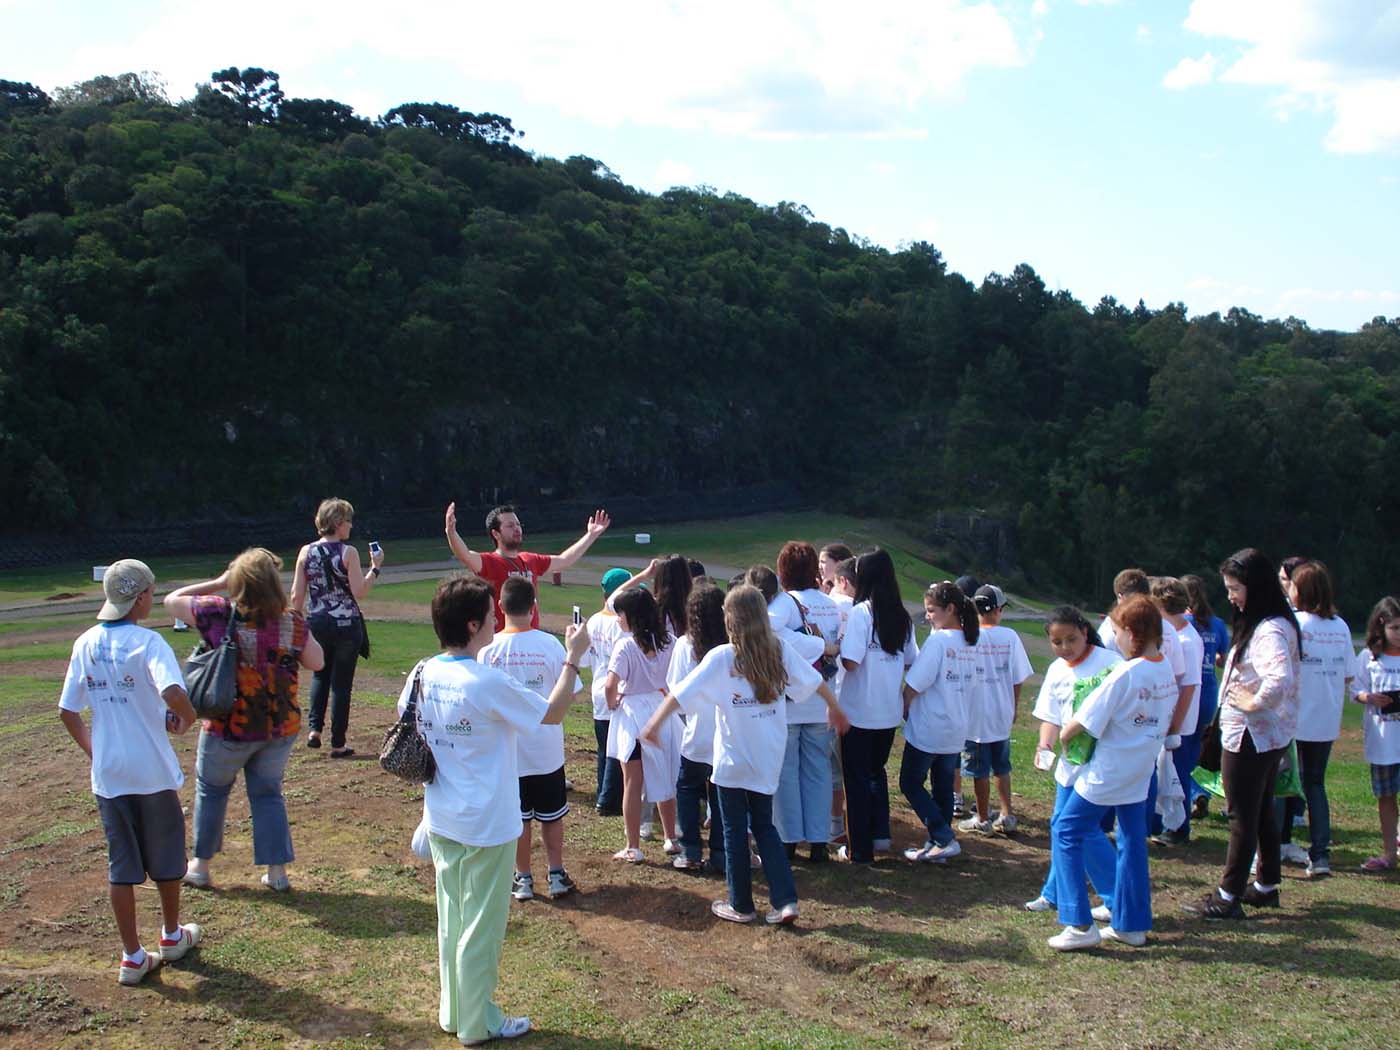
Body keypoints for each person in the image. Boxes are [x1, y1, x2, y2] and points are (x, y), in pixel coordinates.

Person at [403, 575, 587, 1046]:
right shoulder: (484, 681)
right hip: (485, 822)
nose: (496, 619)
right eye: (490, 613)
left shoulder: (423, 672)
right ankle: (478, 1021)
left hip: (442, 815)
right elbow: (551, 712)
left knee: (453, 921)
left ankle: (454, 1011)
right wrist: (573, 656)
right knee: (481, 929)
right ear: (472, 623)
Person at [641, 585, 850, 924]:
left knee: (735, 830)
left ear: (730, 619)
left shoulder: (724, 657)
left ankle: (741, 905)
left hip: (733, 760)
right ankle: (785, 902)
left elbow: (680, 694)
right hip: (768, 754)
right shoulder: (778, 649)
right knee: (764, 826)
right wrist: (835, 708)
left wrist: (653, 724)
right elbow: (814, 681)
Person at [59, 559, 202, 986]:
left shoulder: (85, 642)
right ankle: (172, 935)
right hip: (152, 771)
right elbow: (172, 692)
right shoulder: (149, 643)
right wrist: (188, 718)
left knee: (121, 865)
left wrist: (94, 750)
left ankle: (132, 956)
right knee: (168, 857)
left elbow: (67, 710)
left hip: (110, 774)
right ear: (140, 597)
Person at [167, 549, 325, 892]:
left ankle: (201, 865)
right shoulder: (292, 621)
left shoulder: (218, 614)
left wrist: (219, 582)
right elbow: (317, 662)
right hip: (278, 729)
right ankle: (277, 872)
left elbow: (171, 601)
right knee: (268, 795)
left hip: (229, 728)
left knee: (211, 791)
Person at [1049, 595, 1177, 950]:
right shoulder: (1163, 667)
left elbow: (1085, 721)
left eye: (1118, 631)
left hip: (1109, 770)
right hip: (1140, 768)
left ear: (1132, 634)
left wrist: (1062, 736)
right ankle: (1131, 924)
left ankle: (1078, 923)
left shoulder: (1126, 672)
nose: (1114, 638)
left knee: (1067, 829)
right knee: (1132, 840)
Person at [1185, 549, 1300, 920]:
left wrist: (1252, 703)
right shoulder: (1268, 622)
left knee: (1241, 815)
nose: (1231, 596)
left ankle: (1228, 895)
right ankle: (1266, 885)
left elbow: (1279, 679)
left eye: (1235, 588)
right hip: (1265, 735)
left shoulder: (1270, 630)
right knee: (1261, 807)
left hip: (1252, 735)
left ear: (1257, 587)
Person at [480, 578, 580, 902]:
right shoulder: (551, 645)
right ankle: (555, 873)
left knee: (518, 819)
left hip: (509, 754)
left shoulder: (488, 651)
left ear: (500, 607)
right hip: (546, 750)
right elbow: (571, 694)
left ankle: (522, 878)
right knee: (552, 816)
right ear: (533, 606)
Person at [1024, 606, 1121, 914]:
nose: (1065, 648)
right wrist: (1045, 744)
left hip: (1101, 762)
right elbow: (1051, 716)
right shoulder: (1056, 669)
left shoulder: (1111, 664)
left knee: (1078, 828)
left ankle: (1118, 897)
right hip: (1069, 764)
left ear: (1085, 631)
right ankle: (1054, 893)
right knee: (1061, 826)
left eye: (1071, 640)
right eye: (1057, 642)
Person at [837, 549, 917, 863]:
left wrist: (836, 646)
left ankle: (860, 849)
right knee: (876, 773)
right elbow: (912, 661)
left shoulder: (862, 613)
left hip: (858, 710)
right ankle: (880, 835)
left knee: (855, 780)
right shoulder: (902, 615)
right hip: (888, 711)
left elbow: (852, 663)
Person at [290, 497, 383, 757]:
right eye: (349, 522)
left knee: (320, 674)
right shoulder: (347, 552)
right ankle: (338, 743)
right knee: (341, 685)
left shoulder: (306, 552)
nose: (351, 527)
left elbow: (296, 595)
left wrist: (297, 621)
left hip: (317, 621)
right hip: (346, 623)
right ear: (339, 523)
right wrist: (375, 569)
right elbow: (359, 590)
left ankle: (314, 730)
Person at [1276, 562, 1351, 876]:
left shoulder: (1294, 624)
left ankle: (1275, 846)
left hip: (1293, 718)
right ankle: (1320, 855)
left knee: (1281, 785)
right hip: (1326, 718)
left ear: (1300, 590)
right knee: (1314, 784)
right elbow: (1347, 675)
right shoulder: (1340, 626)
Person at [900, 582, 980, 863]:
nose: (928, 617)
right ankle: (939, 845)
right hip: (956, 726)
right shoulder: (971, 642)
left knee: (910, 782)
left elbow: (915, 683)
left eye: (932, 611)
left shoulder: (939, 642)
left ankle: (942, 836)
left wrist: (905, 702)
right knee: (943, 787)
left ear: (951, 609)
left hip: (930, 725)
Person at [773, 543, 843, 861]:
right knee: (817, 769)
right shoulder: (830, 604)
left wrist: (816, 645)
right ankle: (818, 841)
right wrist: (825, 646)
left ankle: (789, 838)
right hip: (822, 696)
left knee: (787, 770)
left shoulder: (785, 603)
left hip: (789, 698)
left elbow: (770, 632)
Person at [444, 502, 611, 630]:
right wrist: (451, 532)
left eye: (518, 524)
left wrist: (591, 535)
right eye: (510, 526)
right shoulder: (488, 561)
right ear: (496, 533)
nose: (517, 529)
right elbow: (464, 554)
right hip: (501, 643)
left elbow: (564, 560)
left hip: (531, 639)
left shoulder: (530, 560)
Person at [605, 588, 681, 860]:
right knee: (666, 773)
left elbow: (610, 684)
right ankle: (671, 837)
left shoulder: (626, 645)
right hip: (662, 711)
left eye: (620, 614)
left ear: (631, 616)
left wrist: (613, 703)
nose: (617, 619)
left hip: (633, 714)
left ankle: (633, 846)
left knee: (632, 782)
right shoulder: (670, 641)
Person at [960, 585, 1032, 834]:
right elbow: (1018, 677)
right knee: (1002, 766)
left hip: (974, 714)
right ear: (998, 610)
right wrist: (1014, 705)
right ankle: (1007, 814)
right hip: (1001, 711)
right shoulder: (1010, 636)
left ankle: (982, 817)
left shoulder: (967, 636)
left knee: (979, 768)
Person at [668, 584, 729, 872]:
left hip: (697, 729)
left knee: (689, 788)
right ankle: (720, 852)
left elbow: (676, 690)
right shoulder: (731, 645)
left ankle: (691, 849)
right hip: (728, 731)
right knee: (721, 793)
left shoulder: (685, 645)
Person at [1148, 577, 1203, 844]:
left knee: (1178, 772)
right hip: (1172, 716)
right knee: (1165, 769)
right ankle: (1161, 822)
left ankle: (1179, 829)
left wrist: (1175, 726)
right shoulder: (1176, 634)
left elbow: (1189, 685)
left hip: (1182, 720)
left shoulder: (1186, 640)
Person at [1351, 596, 1400, 873]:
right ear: (1381, 626)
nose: (1399, 635)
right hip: (1383, 742)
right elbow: (1354, 691)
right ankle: (1389, 853)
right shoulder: (1369, 657)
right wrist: (1368, 697)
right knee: (1386, 796)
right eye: (1395, 629)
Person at [582, 568, 630, 816]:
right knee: (617, 750)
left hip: (598, 689)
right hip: (616, 690)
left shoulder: (592, 620)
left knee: (604, 747)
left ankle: (603, 789)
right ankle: (609, 799)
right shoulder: (619, 623)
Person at [1182, 574, 1230, 820]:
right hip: (1209, 690)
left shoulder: (1181, 623)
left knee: (1182, 747)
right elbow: (1224, 659)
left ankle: (1186, 794)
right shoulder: (1217, 624)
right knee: (1201, 746)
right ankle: (1201, 792)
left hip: (1187, 691)